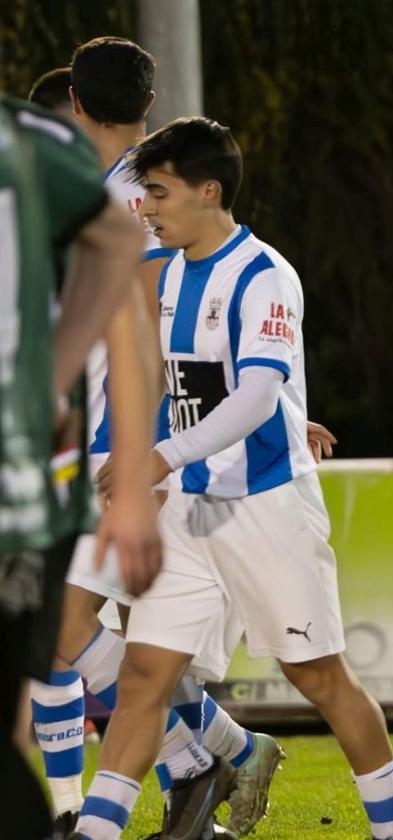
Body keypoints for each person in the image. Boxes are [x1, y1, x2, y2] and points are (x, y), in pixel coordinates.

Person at [71, 116, 393, 840]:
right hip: (189, 513)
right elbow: (178, 387)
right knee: (142, 680)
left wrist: (163, 457)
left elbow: (258, 394)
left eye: (160, 194)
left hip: (265, 509)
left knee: (320, 678)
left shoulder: (265, 275)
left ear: (210, 191)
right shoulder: (163, 276)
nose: (148, 209)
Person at [26, 37, 283, 839]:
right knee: (74, 632)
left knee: (62, 631)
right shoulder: (160, 179)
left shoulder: (121, 195)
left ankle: (206, 758)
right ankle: (216, 753)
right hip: (135, 439)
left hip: (118, 441)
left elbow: (137, 323)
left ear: (74, 106)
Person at [0, 91, 158, 840]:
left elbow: (120, 262)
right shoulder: (35, 140)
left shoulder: (29, 140)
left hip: (21, 494)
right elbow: (120, 261)